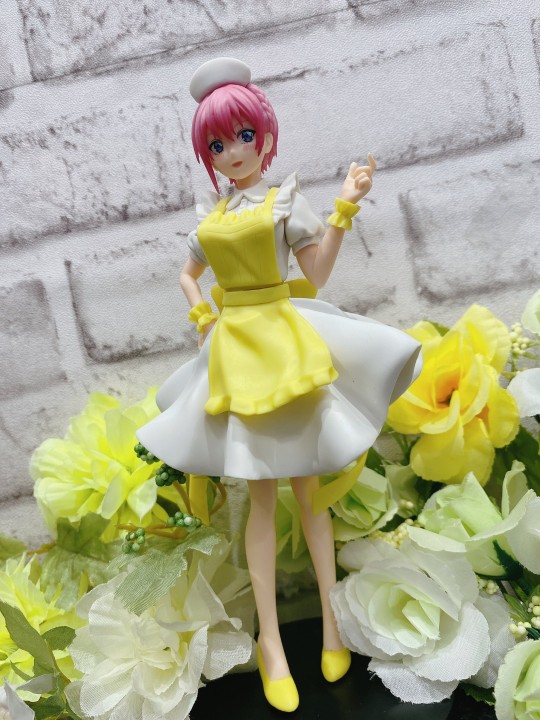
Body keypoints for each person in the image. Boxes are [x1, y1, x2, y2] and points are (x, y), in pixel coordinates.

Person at [137, 57, 422, 713]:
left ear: (264, 137)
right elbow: (187, 274)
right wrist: (202, 315)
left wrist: (345, 206)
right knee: (260, 501)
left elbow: (314, 277)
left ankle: (331, 624)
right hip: (238, 353)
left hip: (286, 345)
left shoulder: (283, 203)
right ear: (207, 153)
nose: (233, 153)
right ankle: (271, 642)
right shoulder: (210, 218)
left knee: (310, 494)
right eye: (217, 144)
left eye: (243, 137)